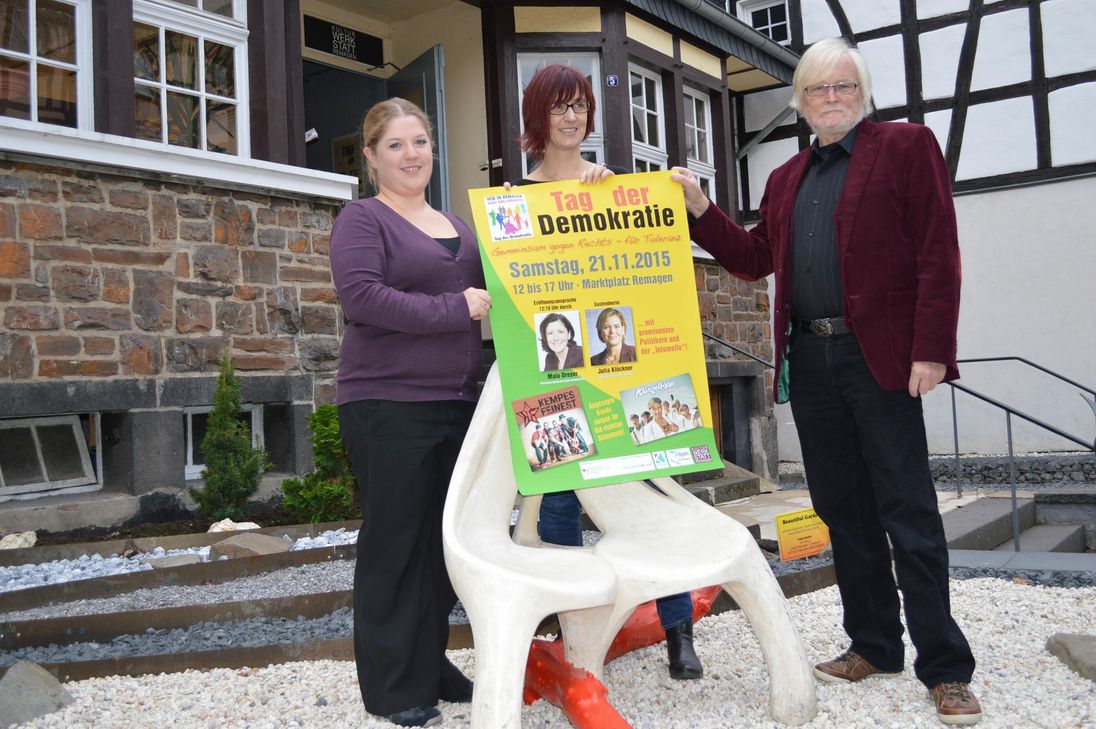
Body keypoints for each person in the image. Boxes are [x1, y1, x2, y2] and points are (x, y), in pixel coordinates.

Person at [672, 38, 980, 726]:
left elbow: (939, 250)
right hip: (810, 363)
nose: (831, 98)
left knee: (909, 511)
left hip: (883, 362)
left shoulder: (907, 148)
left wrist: (931, 349)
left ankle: (947, 667)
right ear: (801, 102)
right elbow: (754, 259)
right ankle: (873, 643)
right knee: (845, 512)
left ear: (861, 92)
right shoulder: (786, 179)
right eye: (818, 90)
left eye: (843, 87)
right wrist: (699, 207)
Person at [511, 62, 702, 680]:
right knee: (561, 507)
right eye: (559, 106)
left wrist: (615, 193)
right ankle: (576, 629)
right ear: (537, 118)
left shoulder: (615, 188)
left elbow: (647, 280)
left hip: (625, 372)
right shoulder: (515, 200)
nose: (572, 117)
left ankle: (679, 631)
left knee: (653, 501)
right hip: (555, 375)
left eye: (580, 106)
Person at [330, 97, 491, 729]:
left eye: (419, 142)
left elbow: (501, 297)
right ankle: (393, 688)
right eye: (395, 145)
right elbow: (364, 299)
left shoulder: (457, 224)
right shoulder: (362, 220)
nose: (411, 155)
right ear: (371, 157)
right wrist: (458, 310)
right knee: (395, 544)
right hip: (388, 403)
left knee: (442, 548)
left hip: (459, 404)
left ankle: (430, 664)